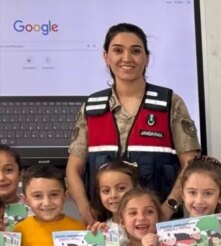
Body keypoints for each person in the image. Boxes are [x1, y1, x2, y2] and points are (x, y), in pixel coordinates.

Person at [65, 23, 200, 226]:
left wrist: (167, 209)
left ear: (147, 58)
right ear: (106, 57)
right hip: (104, 228)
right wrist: (87, 213)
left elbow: (191, 165)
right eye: (118, 50)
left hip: (159, 226)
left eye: (135, 51)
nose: (127, 58)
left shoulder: (170, 103)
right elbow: (73, 169)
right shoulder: (91, 107)